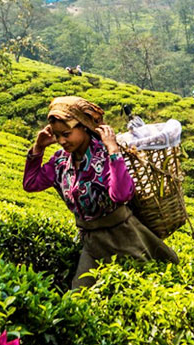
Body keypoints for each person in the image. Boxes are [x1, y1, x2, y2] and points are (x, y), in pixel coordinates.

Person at [23, 95, 178, 289]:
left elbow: (121, 195)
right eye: (57, 135)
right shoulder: (60, 162)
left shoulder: (105, 155)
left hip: (124, 238)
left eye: (67, 134)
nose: (61, 140)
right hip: (92, 243)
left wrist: (113, 150)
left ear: (84, 127)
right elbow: (31, 184)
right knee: (79, 297)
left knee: (140, 292)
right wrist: (38, 148)